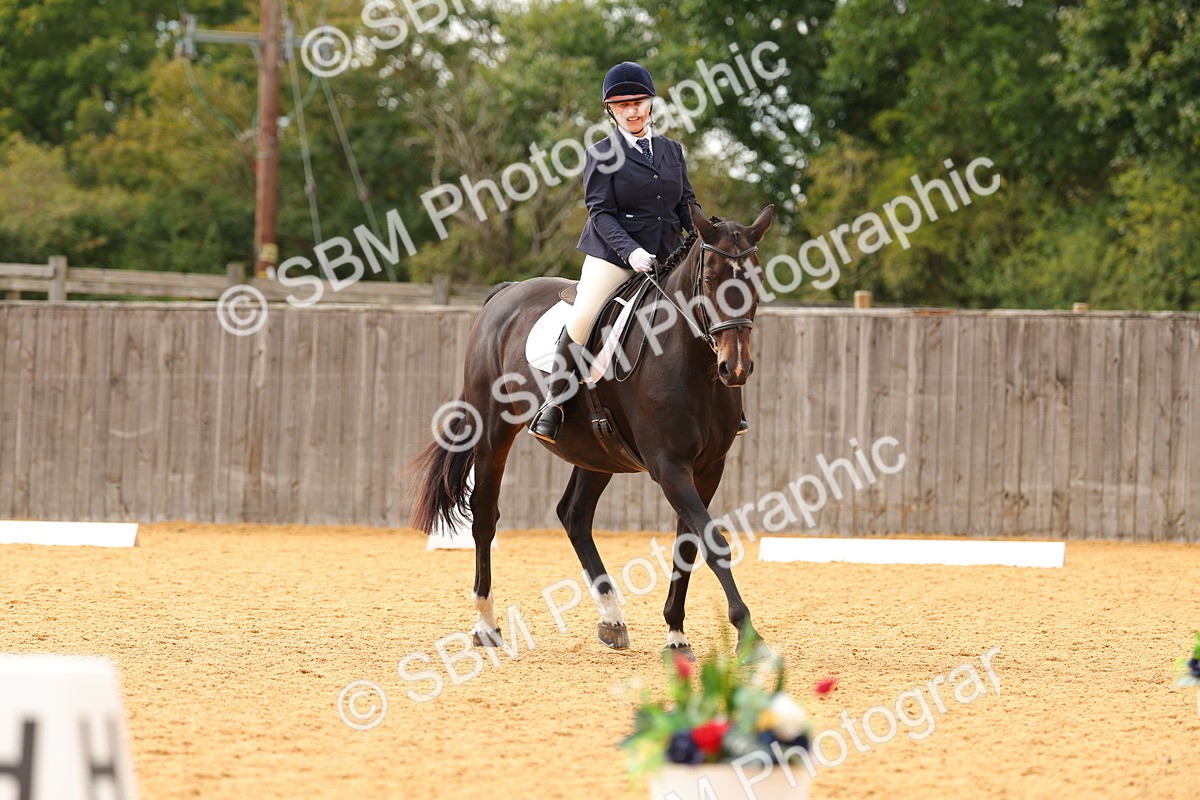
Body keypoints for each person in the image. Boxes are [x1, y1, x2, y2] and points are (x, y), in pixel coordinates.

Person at [530, 60, 716, 443]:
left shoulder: (671, 150)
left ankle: (724, 403)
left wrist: (707, 235)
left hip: (666, 255)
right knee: (582, 316)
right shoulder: (601, 154)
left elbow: (686, 204)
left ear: (650, 104)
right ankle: (555, 402)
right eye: (622, 105)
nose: (632, 111)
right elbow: (600, 213)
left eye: (638, 102)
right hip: (613, 256)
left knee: (706, 307)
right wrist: (630, 252)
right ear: (611, 110)